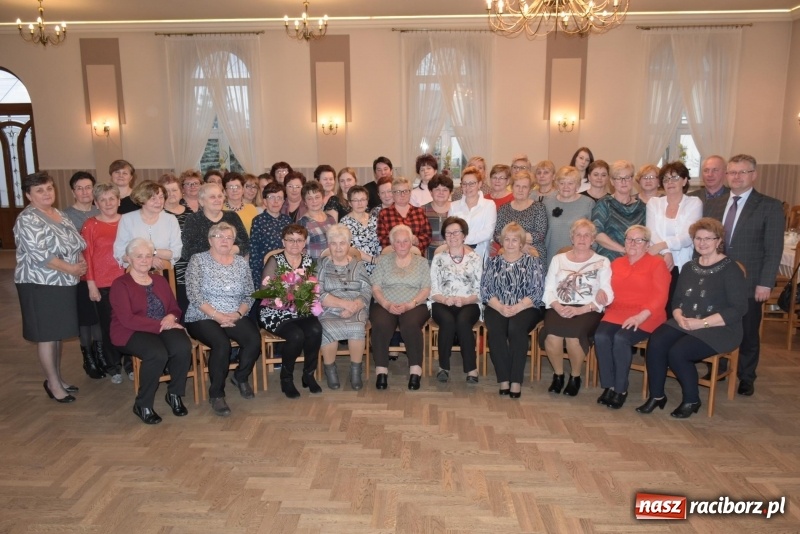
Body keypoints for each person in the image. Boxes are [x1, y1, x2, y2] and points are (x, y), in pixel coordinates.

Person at [637, 218, 748, 418]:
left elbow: (738, 309)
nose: (702, 243)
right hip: (686, 321)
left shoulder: (730, 269)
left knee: (679, 353)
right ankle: (657, 395)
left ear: (718, 241)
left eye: (708, 238)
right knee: (657, 341)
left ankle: (691, 399)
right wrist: (678, 316)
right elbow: (677, 299)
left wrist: (702, 323)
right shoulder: (689, 267)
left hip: (720, 327)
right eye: (698, 238)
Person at [705, 154, 784, 397]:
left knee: (749, 331)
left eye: (742, 172)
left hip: (751, 282)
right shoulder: (716, 205)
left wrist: (765, 282)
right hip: (717, 279)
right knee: (717, 325)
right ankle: (719, 366)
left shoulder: (769, 206)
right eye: (732, 173)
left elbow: (774, 249)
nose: (736, 177)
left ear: (753, 175)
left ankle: (747, 376)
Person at [14, 171, 87, 403]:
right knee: (47, 335)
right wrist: (71, 268)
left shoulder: (58, 213)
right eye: (39, 190)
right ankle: (53, 384)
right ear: (28, 195)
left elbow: (74, 243)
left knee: (56, 334)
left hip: (63, 283)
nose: (46, 193)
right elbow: (41, 255)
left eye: (48, 188)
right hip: (40, 284)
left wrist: (80, 262)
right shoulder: (27, 219)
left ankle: (57, 377)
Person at [110, 238, 193, 424]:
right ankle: (143, 404)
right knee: (157, 354)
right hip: (130, 330)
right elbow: (127, 319)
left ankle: (174, 394)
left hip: (163, 325)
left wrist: (172, 317)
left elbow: (173, 307)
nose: (144, 260)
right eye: (139, 256)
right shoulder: (120, 284)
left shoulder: (159, 280)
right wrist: (163, 325)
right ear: (129, 259)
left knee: (182, 347)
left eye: (148, 256)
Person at [184, 222, 261, 416]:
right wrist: (218, 316)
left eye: (229, 237)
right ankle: (216, 394)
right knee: (221, 344)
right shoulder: (198, 260)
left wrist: (236, 314)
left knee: (253, 340)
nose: (224, 241)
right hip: (202, 315)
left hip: (233, 313)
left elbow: (249, 294)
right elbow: (194, 295)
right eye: (219, 237)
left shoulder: (241, 262)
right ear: (210, 240)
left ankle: (240, 377)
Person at [593, 225, 670, 409]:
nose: (632, 243)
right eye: (629, 239)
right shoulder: (616, 263)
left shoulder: (657, 263)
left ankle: (621, 389)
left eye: (638, 240)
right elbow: (604, 286)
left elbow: (661, 297)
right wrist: (601, 293)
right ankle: (609, 385)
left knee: (621, 338)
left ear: (647, 244)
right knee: (600, 336)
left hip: (647, 315)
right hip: (616, 312)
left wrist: (640, 317)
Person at [541, 219, 612, 397]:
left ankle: (575, 376)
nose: (582, 238)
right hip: (559, 306)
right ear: (571, 238)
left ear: (593, 239)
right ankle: (558, 375)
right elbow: (548, 289)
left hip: (587, 310)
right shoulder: (558, 259)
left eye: (586, 235)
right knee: (552, 336)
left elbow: (608, 294)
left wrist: (583, 309)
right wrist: (557, 306)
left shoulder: (602, 261)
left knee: (573, 338)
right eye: (578, 235)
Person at [481, 222, 545, 399]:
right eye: (506, 239)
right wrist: (501, 307)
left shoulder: (533, 262)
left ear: (522, 243)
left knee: (516, 329)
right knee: (496, 331)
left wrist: (517, 306)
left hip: (526, 307)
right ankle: (503, 378)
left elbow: (537, 292)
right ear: (501, 241)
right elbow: (485, 291)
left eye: (514, 240)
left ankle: (515, 379)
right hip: (497, 306)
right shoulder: (493, 263)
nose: (510, 243)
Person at [258, 224, 323, 399]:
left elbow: (313, 287)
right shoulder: (275, 260)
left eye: (299, 240)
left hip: (300, 309)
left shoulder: (308, 261)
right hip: (274, 310)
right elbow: (265, 289)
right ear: (283, 241)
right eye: (290, 240)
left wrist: (303, 295)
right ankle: (286, 378)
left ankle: (308, 375)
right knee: (296, 336)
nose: (295, 244)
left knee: (316, 330)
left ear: (305, 243)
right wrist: (289, 293)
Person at [370, 225, 431, 390]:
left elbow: (426, 288)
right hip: (385, 303)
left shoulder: (422, 262)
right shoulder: (383, 261)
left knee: (410, 325)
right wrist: (386, 304)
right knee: (381, 324)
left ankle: (415, 371)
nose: (402, 245)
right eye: (398, 241)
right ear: (392, 244)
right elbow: (375, 287)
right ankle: (381, 371)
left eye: (406, 241)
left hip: (415, 304)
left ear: (411, 242)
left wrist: (411, 303)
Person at [318, 225, 372, 390]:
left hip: (355, 307)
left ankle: (356, 371)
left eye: (342, 243)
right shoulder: (322, 265)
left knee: (357, 326)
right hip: (329, 307)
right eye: (334, 243)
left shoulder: (358, 265)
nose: (338, 247)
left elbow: (366, 290)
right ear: (329, 245)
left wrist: (353, 306)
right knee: (327, 327)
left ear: (349, 245)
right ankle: (330, 370)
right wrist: (342, 304)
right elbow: (318, 293)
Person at [430, 217, 483, 383]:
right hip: (442, 302)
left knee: (462, 321)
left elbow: (480, 289)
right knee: (447, 321)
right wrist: (445, 300)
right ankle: (443, 367)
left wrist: (465, 300)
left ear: (464, 236)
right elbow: (433, 288)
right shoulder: (439, 258)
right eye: (448, 233)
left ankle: (471, 369)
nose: (452, 236)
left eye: (456, 232)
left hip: (469, 303)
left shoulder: (475, 258)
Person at [82, 183, 125, 383]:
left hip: (126, 282)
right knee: (108, 326)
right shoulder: (91, 224)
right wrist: (91, 283)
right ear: (96, 203)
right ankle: (113, 365)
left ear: (119, 200)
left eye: (111, 199)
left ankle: (130, 362)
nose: (108, 203)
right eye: (103, 199)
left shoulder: (127, 222)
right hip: (102, 283)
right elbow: (87, 256)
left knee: (129, 323)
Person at [64, 171, 103, 379]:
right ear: (73, 192)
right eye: (79, 188)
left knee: (98, 316)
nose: (84, 191)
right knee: (85, 318)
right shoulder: (66, 216)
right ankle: (88, 357)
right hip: (80, 273)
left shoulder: (100, 211)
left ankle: (100, 354)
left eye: (88, 187)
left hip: (101, 272)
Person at [646, 161, 703, 303]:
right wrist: (666, 252)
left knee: (677, 306)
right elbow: (651, 232)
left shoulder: (694, 203)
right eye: (665, 179)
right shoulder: (654, 203)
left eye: (675, 177)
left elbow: (688, 236)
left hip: (684, 265)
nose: (670, 182)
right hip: (658, 262)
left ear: (684, 181)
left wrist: (661, 246)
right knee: (656, 304)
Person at [113, 181, 182, 271]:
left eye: (161, 197)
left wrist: (153, 252)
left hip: (163, 272)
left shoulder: (171, 219)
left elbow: (176, 253)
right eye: (153, 198)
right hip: (135, 274)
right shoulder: (127, 219)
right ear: (142, 200)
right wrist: (148, 260)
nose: (159, 202)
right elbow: (120, 253)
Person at [181, 182, 250, 264]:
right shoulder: (193, 219)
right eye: (212, 197)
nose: (217, 200)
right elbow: (187, 252)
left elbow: (247, 243)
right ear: (201, 201)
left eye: (220, 196)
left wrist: (235, 249)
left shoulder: (232, 216)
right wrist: (218, 252)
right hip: (204, 268)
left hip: (232, 266)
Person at [591, 160, 646, 262]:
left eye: (627, 177)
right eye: (619, 178)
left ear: (632, 179)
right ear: (612, 182)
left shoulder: (642, 207)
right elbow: (596, 233)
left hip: (635, 260)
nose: (623, 181)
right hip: (607, 261)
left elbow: (646, 237)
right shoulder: (604, 203)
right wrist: (624, 250)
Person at [543, 166, 595, 262]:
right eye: (562, 183)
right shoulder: (547, 202)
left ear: (577, 185)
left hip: (579, 257)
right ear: (557, 185)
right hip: (551, 255)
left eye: (570, 183)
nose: (566, 187)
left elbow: (593, 234)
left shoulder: (588, 203)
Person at [493, 170, 547, 261]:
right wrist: (520, 245)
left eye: (524, 187)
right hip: (508, 254)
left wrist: (513, 240)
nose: (520, 190)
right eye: (517, 186)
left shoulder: (539, 207)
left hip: (533, 254)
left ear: (530, 190)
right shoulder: (503, 209)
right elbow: (497, 234)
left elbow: (540, 234)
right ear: (512, 187)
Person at [449, 165, 497, 261]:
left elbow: (488, 232)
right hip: (457, 256)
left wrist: (462, 239)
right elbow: (450, 231)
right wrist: (459, 240)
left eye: (472, 184)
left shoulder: (489, 205)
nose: (468, 187)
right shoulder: (453, 206)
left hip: (479, 255)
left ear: (479, 184)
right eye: (464, 184)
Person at [249, 182, 292, 286]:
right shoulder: (258, 221)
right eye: (271, 197)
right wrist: (257, 278)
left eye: (279, 197)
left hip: (287, 270)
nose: (276, 201)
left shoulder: (288, 220)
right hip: (265, 270)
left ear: (283, 201)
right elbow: (254, 251)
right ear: (265, 201)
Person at [160, 173, 193, 310]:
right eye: (167, 191)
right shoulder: (159, 216)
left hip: (191, 269)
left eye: (174, 190)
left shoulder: (191, 214)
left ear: (181, 192)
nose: (171, 194)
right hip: (169, 268)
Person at [377, 177, 432, 255]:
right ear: (393, 193)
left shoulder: (419, 212)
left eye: (405, 191)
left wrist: (417, 241)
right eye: (398, 191)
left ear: (410, 193)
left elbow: (427, 235)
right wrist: (399, 243)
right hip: (393, 258)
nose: (402, 195)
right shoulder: (384, 214)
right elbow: (382, 238)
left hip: (416, 257)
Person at [340, 185, 381, 274]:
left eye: (363, 199)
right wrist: (373, 260)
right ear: (350, 203)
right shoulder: (344, 223)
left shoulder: (374, 219)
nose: (360, 203)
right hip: (356, 267)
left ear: (367, 201)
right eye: (355, 200)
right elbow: (350, 249)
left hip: (378, 267)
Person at [298, 180, 337, 260]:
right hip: (314, 268)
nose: (314, 201)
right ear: (305, 202)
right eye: (309, 198)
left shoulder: (330, 219)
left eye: (317, 197)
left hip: (332, 266)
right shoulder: (303, 223)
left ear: (323, 198)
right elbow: (300, 251)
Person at [422, 173, 453, 259]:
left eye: (445, 190)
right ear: (431, 192)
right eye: (437, 189)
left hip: (452, 258)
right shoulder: (422, 211)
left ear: (450, 193)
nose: (441, 193)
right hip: (428, 258)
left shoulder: (456, 209)